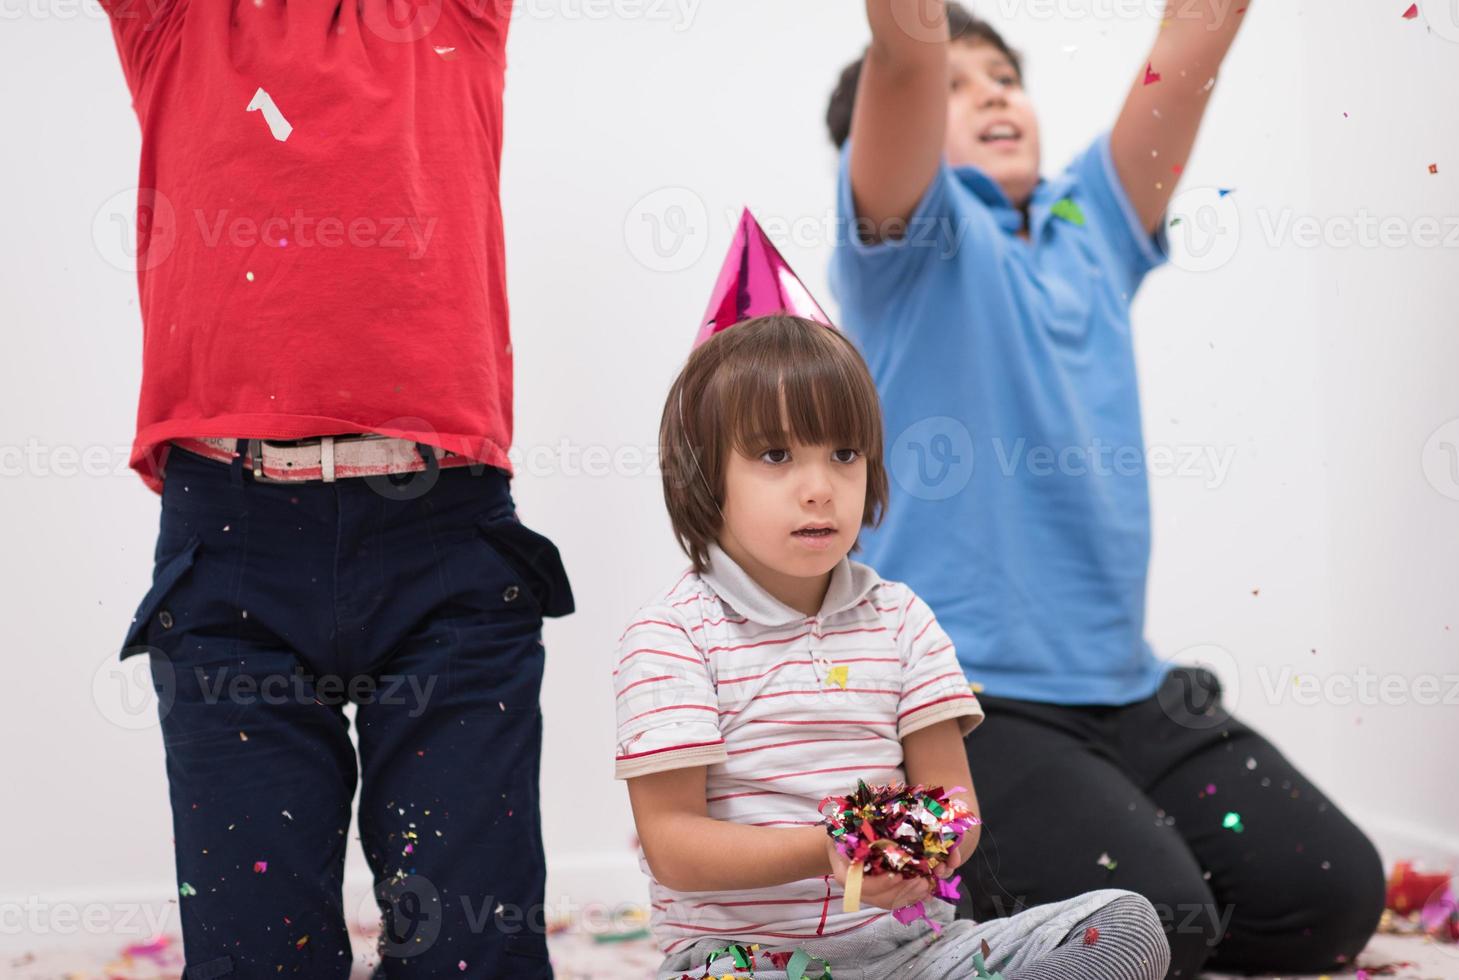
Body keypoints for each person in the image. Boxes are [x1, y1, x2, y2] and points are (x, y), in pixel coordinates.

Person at [824, 2, 1385, 976]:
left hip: (1130, 690)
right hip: (969, 705)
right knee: (1161, 921)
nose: (990, 90)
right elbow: (903, 59)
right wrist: (916, 57)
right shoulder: (906, 244)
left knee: (1329, 893)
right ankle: (953, 911)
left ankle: (1081, 859)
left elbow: (1190, 38)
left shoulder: (1090, 221)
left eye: (1001, 74)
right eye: (954, 85)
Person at [101, 1, 573, 974]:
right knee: (258, 959)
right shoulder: (178, 21)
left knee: (474, 956)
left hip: (445, 542)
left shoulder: (451, 16)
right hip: (233, 558)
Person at [614, 314, 1170, 980]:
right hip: (746, 964)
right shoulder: (671, 636)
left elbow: (956, 809)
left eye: (843, 454)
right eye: (775, 455)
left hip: (910, 957)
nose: (820, 486)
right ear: (701, 478)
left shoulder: (900, 619)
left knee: (1125, 926)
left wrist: (921, 848)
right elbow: (673, 844)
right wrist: (829, 848)